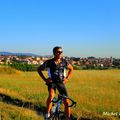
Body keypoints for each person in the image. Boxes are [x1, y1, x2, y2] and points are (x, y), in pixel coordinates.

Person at [37, 46, 73, 120]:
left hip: (60, 82)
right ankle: (47, 113)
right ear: (54, 53)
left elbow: (71, 69)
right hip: (52, 82)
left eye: (61, 52)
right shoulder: (49, 62)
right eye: (58, 52)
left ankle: (68, 118)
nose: (60, 53)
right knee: (51, 95)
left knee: (66, 101)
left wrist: (67, 78)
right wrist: (45, 79)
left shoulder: (64, 62)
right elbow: (39, 69)